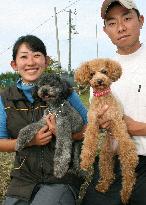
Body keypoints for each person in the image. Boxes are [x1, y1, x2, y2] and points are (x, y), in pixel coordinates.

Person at [0, 34, 89, 205]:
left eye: (37, 55)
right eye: (24, 57)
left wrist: (65, 134)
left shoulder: (65, 90)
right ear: (14, 64)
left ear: (46, 61)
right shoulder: (5, 98)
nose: (31, 62)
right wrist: (30, 141)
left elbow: (91, 127)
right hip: (22, 179)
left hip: (61, 176)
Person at [82, 0, 146, 204]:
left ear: (141, 20)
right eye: (112, 23)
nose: (121, 27)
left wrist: (138, 128)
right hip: (113, 159)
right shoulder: (101, 71)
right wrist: (100, 125)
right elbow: (98, 125)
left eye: (127, 18)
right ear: (105, 30)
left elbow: (132, 127)